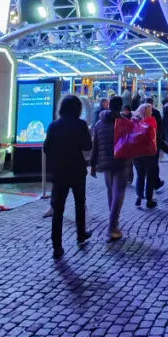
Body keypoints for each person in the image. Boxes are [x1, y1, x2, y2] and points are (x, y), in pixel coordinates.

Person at [44, 95, 93, 259]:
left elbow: (46, 148)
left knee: (58, 208)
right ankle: (81, 234)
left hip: (59, 171)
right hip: (77, 170)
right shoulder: (80, 125)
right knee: (80, 203)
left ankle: (57, 245)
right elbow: (87, 146)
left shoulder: (53, 126)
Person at [91, 96, 132, 241]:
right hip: (121, 162)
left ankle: (113, 221)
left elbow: (95, 145)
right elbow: (130, 146)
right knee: (119, 193)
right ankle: (112, 226)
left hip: (105, 163)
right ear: (120, 107)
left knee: (110, 192)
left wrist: (93, 164)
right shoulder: (125, 122)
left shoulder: (99, 123)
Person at [133, 103, 160, 207]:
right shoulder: (151, 122)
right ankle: (149, 200)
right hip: (149, 154)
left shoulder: (134, 122)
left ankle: (139, 197)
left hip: (137, 155)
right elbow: (156, 139)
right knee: (150, 177)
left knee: (140, 176)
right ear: (149, 112)